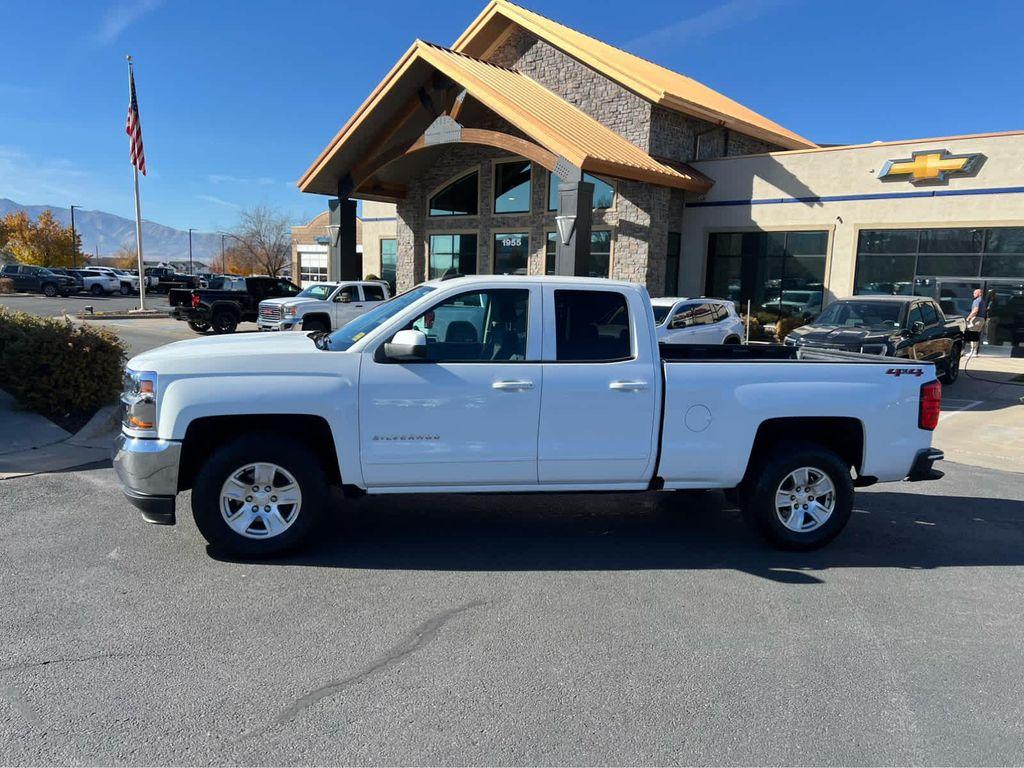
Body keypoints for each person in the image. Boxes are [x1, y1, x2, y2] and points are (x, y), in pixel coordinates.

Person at [965, 288, 988, 356]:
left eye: (975, 293)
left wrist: (968, 318)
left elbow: (975, 310)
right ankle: (974, 351)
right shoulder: (982, 301)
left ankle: (972, 352)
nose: (973, 294)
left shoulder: (977, 301)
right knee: (975, 336)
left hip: (976, 319)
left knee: (972, 335)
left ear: (979, 293)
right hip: (982, 319)